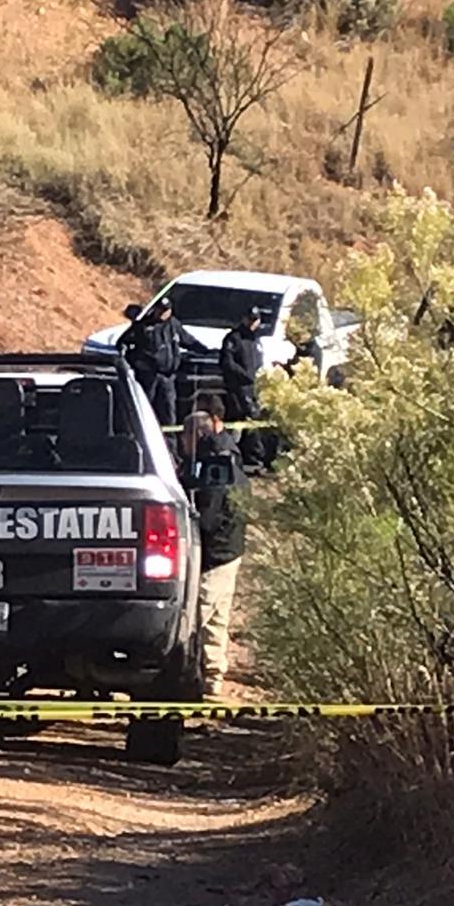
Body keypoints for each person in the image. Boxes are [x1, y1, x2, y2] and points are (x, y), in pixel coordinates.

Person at [182, 410, 248, 699]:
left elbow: (207, 515)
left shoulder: (213, 467)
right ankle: (213, 675)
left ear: (195, 436)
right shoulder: (230, 455)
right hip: (231, 547)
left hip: (216, 551)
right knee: (218, 615)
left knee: (197, 617)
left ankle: (190, 677)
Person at [119, 298, 212, 427]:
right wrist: (136, 362)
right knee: (146, 408)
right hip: (149, 377)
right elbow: (123, 343)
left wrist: (206, 351)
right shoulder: (143, 326)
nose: (163, 313)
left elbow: (188, 341)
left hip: (168, 377)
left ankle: (170, 443)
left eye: (166, 310)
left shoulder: (173, 324)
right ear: (155, 310)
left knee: (168, 412)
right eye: (160, 310)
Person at [220, 307, 266, 468]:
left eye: (256, 320)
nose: (253, 323)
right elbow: (227, 363)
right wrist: (244, 375)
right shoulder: (234, 338)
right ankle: (235, 456)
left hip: (253, 387)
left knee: (252, 422)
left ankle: (252, 458)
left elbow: (259, 362)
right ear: (244, 319)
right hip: (237, 387)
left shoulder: (256, 340)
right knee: (238, 421)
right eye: (250, 319)